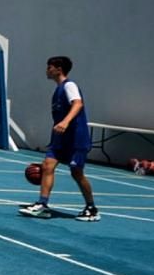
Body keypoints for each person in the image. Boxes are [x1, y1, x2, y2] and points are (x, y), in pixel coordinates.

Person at [19, 56, 100, 222]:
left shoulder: (69, 86)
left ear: (58, 69)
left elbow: (78, 104)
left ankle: (91, 208)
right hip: (60, 140)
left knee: (77, 173)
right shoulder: (58, 90)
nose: (47, 70)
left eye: (49, 67)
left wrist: (65, 121)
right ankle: (42, 205)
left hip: (76, 138)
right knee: (47, 165)